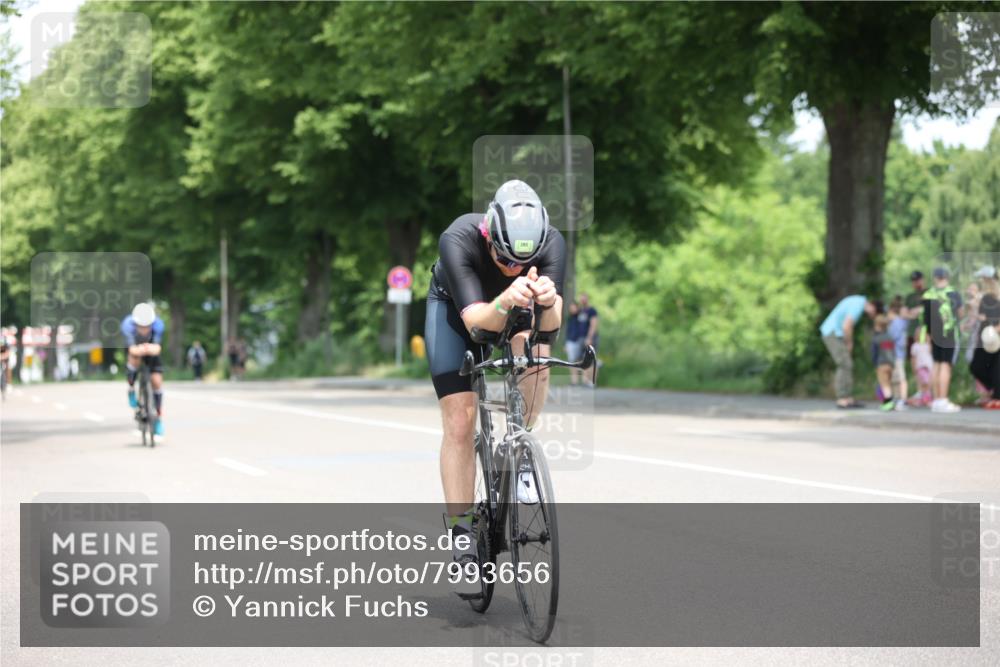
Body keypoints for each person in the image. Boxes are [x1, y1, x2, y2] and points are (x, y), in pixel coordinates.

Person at [425, 179, 565, 597]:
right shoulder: (458, 238)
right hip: (457, 312)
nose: (510, 268)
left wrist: (548, 300)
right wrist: (506, 298)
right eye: (503, 258)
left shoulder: (551, 242)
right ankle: (462, 535)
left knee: (537, 357)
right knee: (461, 421)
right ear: (489, 235)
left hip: (517, 309)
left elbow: (551, 326)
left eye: (520, 262)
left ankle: (520, 447)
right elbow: (476, 323)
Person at [819, 294, 880, 408]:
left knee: (847, 364)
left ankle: (847, 398)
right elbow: (847, 326)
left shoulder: (857, 300)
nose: (872, 316)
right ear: (872, 306)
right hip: (832, 333)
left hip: (835, 333)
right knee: (844, 364)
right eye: (875, 313)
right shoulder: (858, 305)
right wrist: (849, 343)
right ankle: (842, 398)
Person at [121, 302, 166, 436]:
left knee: (157, 381)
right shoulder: (127, 325)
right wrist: (140, 349)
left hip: (151, 352)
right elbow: (132, 348)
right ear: (135, 324)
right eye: (141, 326)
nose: (144, 329)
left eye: (147, 326)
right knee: (134, 358)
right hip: (136, 350)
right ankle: (131, 387)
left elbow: (157, 348)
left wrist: (150, 349)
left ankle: (157, 417)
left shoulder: (158, 325)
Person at [922, 267, 963, 413]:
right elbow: (960, 313)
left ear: (935, 278)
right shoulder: (953, 293)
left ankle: (936, 401)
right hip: (949, 332)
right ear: (947, 277)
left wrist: (928, 334)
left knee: (936, 365)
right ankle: (943, 400)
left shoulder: (928, 294)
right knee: (946, 365)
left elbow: (926, 318)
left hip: (934, 333)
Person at [969, 266, 1000, 409]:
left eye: (983, 278)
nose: (981, 281)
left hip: (995, 337)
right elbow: (982, 317)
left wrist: (995, 329)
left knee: (996, 367)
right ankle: (994, 391)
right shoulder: (985, 297)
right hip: (985, 339)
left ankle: (997, 397)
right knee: (977, 366)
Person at [886, 297, 909, 411]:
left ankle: (902, 400)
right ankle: (896, 398)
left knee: (900, 378)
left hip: (896, 354)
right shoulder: (899, 322)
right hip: (895, 354)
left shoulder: (896, 323)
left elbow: (892, 338)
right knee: (894, 378)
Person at [872, 314, 897, 412]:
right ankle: (889, 402)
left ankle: (888, 403)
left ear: (877, 326)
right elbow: (893, 351)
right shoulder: (890, 337)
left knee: (884, 384)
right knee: (888, 383)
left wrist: (874, 363)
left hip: (881, 364)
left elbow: (874, 353)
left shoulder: (876, 338)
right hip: (890, 363)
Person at [576, 291, 599, 386]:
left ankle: (592, 381)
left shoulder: (592, 311)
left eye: (584, 298)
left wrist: (589, 337)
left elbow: (594, 324)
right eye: (581, 298)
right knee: (583, 359)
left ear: (587, 299)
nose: (582, 300)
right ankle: (585, 381)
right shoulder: (581, 311)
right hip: (581, 338)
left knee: (592, 359)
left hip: (589, 338)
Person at [564, 301, 585, 385]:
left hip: (578, 341)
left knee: (580, 361)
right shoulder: (570, 318)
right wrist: (565, 343)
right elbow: (567, 331)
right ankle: (574, 381)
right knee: (572, 362)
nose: (572, 309)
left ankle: (584, 380)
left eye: (573, 307)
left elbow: (582, 329)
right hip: (570, 342)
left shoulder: (580, 316)